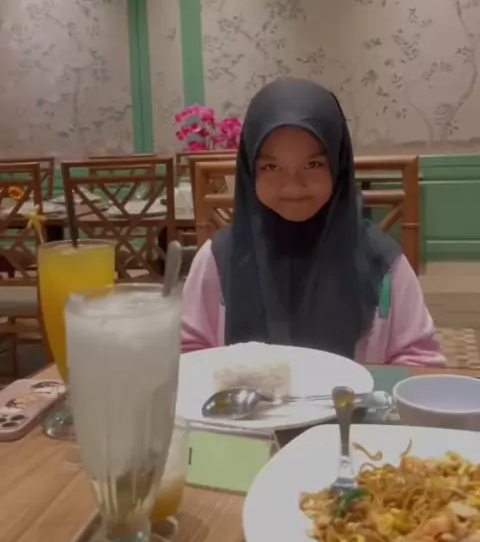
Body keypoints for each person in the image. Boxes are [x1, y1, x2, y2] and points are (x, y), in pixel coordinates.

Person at [181, 79, 445, 367]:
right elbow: (187, 353)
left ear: (338, 165)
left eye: (313, 165)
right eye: (271, 167)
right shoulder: (218, 260)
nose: (293, 186)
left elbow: (420, 361)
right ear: (249, 170)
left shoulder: (383, 263)